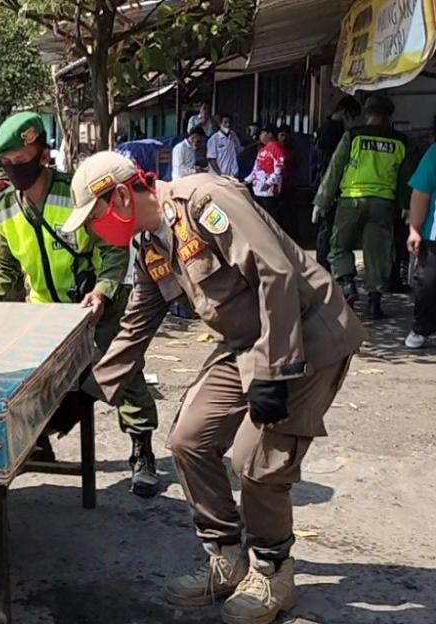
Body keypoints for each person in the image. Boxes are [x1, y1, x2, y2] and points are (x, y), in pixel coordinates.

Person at [63, 152, 367, 624]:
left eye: (96, 218)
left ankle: (272, 570)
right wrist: (89, 391)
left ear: (121, 196)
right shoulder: (149, 243)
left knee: (256, 462)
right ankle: (228, 557)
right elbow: (138, 320)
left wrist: (273, 371)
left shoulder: (205, 200)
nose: (95, 231)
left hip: (306, 334)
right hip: (245, 341)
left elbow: (276, 273)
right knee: (189, 439)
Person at [0, 113, 161, 497]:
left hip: (96, 305)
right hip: (45, 311)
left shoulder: (73, 194)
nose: (15, 169)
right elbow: (3, 266)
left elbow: (113, 249)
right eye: (7, 163)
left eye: (21, 160)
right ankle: (39, 439)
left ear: (42, 155)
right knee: (34, 381)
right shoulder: (4, 210)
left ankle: (141, 449)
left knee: (123, 374)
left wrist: (104, 289)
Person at [313, 94, 411, 320]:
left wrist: (321, 201)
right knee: (378, 252)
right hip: (383, 203)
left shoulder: (353, 135)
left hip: (352, 199)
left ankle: (348, 285)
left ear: (367, 113)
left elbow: (335, 169)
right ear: (389, 114)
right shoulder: (400, 141)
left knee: (338, 246)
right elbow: (405, 177)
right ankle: (375, 303)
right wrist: (406, 206)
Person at [314, 97, 362, 271]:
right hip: (329, 184)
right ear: (344, 112)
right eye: (353, 116)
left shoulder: (327, 128)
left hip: (326, 182)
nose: (354, 121)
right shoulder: (333, 131)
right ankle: (325, 264)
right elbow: (332, 163)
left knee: (328, 226)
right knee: (328, 227)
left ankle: (325, 263)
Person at [404, 142, 436, 348]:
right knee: (428, 283)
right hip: (434, 235)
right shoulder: (434, 153)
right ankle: (422, 327)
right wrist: (414, 229)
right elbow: (421, 193)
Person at [244, 125, 288, 228]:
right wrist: (246, 181)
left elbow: (279, 170)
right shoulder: (261, 150)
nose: (260, 136)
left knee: (272, 219)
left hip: (268, 191)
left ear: (270, 134)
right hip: (257, 189)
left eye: (263, 133)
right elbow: (255, 170)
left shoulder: (277, 149)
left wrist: (268, 183)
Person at [207, 114, 244, 178]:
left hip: (232, 176)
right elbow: (211, 159)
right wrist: (220, 174)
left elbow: (239, 150)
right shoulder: (214, 139)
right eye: (225, 122)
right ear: (220, 124)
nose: (228, 125)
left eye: (230, 123)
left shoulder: (233, 136)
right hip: (218, 176)